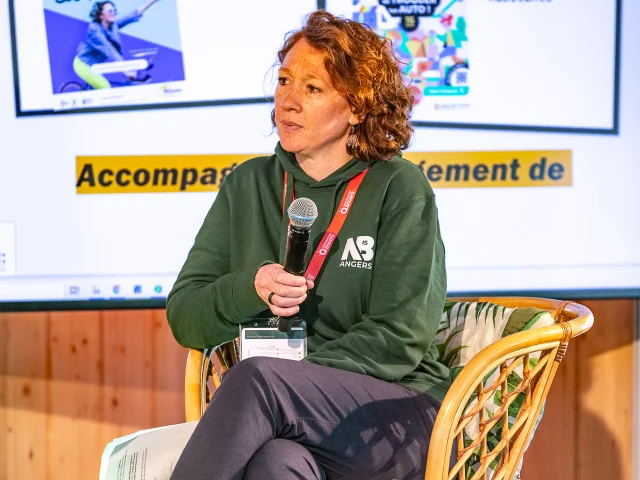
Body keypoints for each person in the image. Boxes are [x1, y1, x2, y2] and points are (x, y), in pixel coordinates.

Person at [167, 10, 450, 480]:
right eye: (283, 81)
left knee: (258, 381)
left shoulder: (399, 187)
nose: (288, 100)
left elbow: (399, 338)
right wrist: (247, 289)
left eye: (312, 88)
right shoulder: (248, 185)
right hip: (289, 423)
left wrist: (289, 381)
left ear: (358, 107)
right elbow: (186, 316)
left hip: (395, 418)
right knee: (275, 464)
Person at [72, 0, 161, 89]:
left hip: (95, 66)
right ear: (101, 15)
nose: (113, 13)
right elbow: (108, 48)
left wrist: (152, 1)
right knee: (105, 87)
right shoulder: (94, 29)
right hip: (83, 64)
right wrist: (125, 69)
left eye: (114, 10)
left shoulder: (112, 26)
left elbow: (132, 15)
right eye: (110, 11)